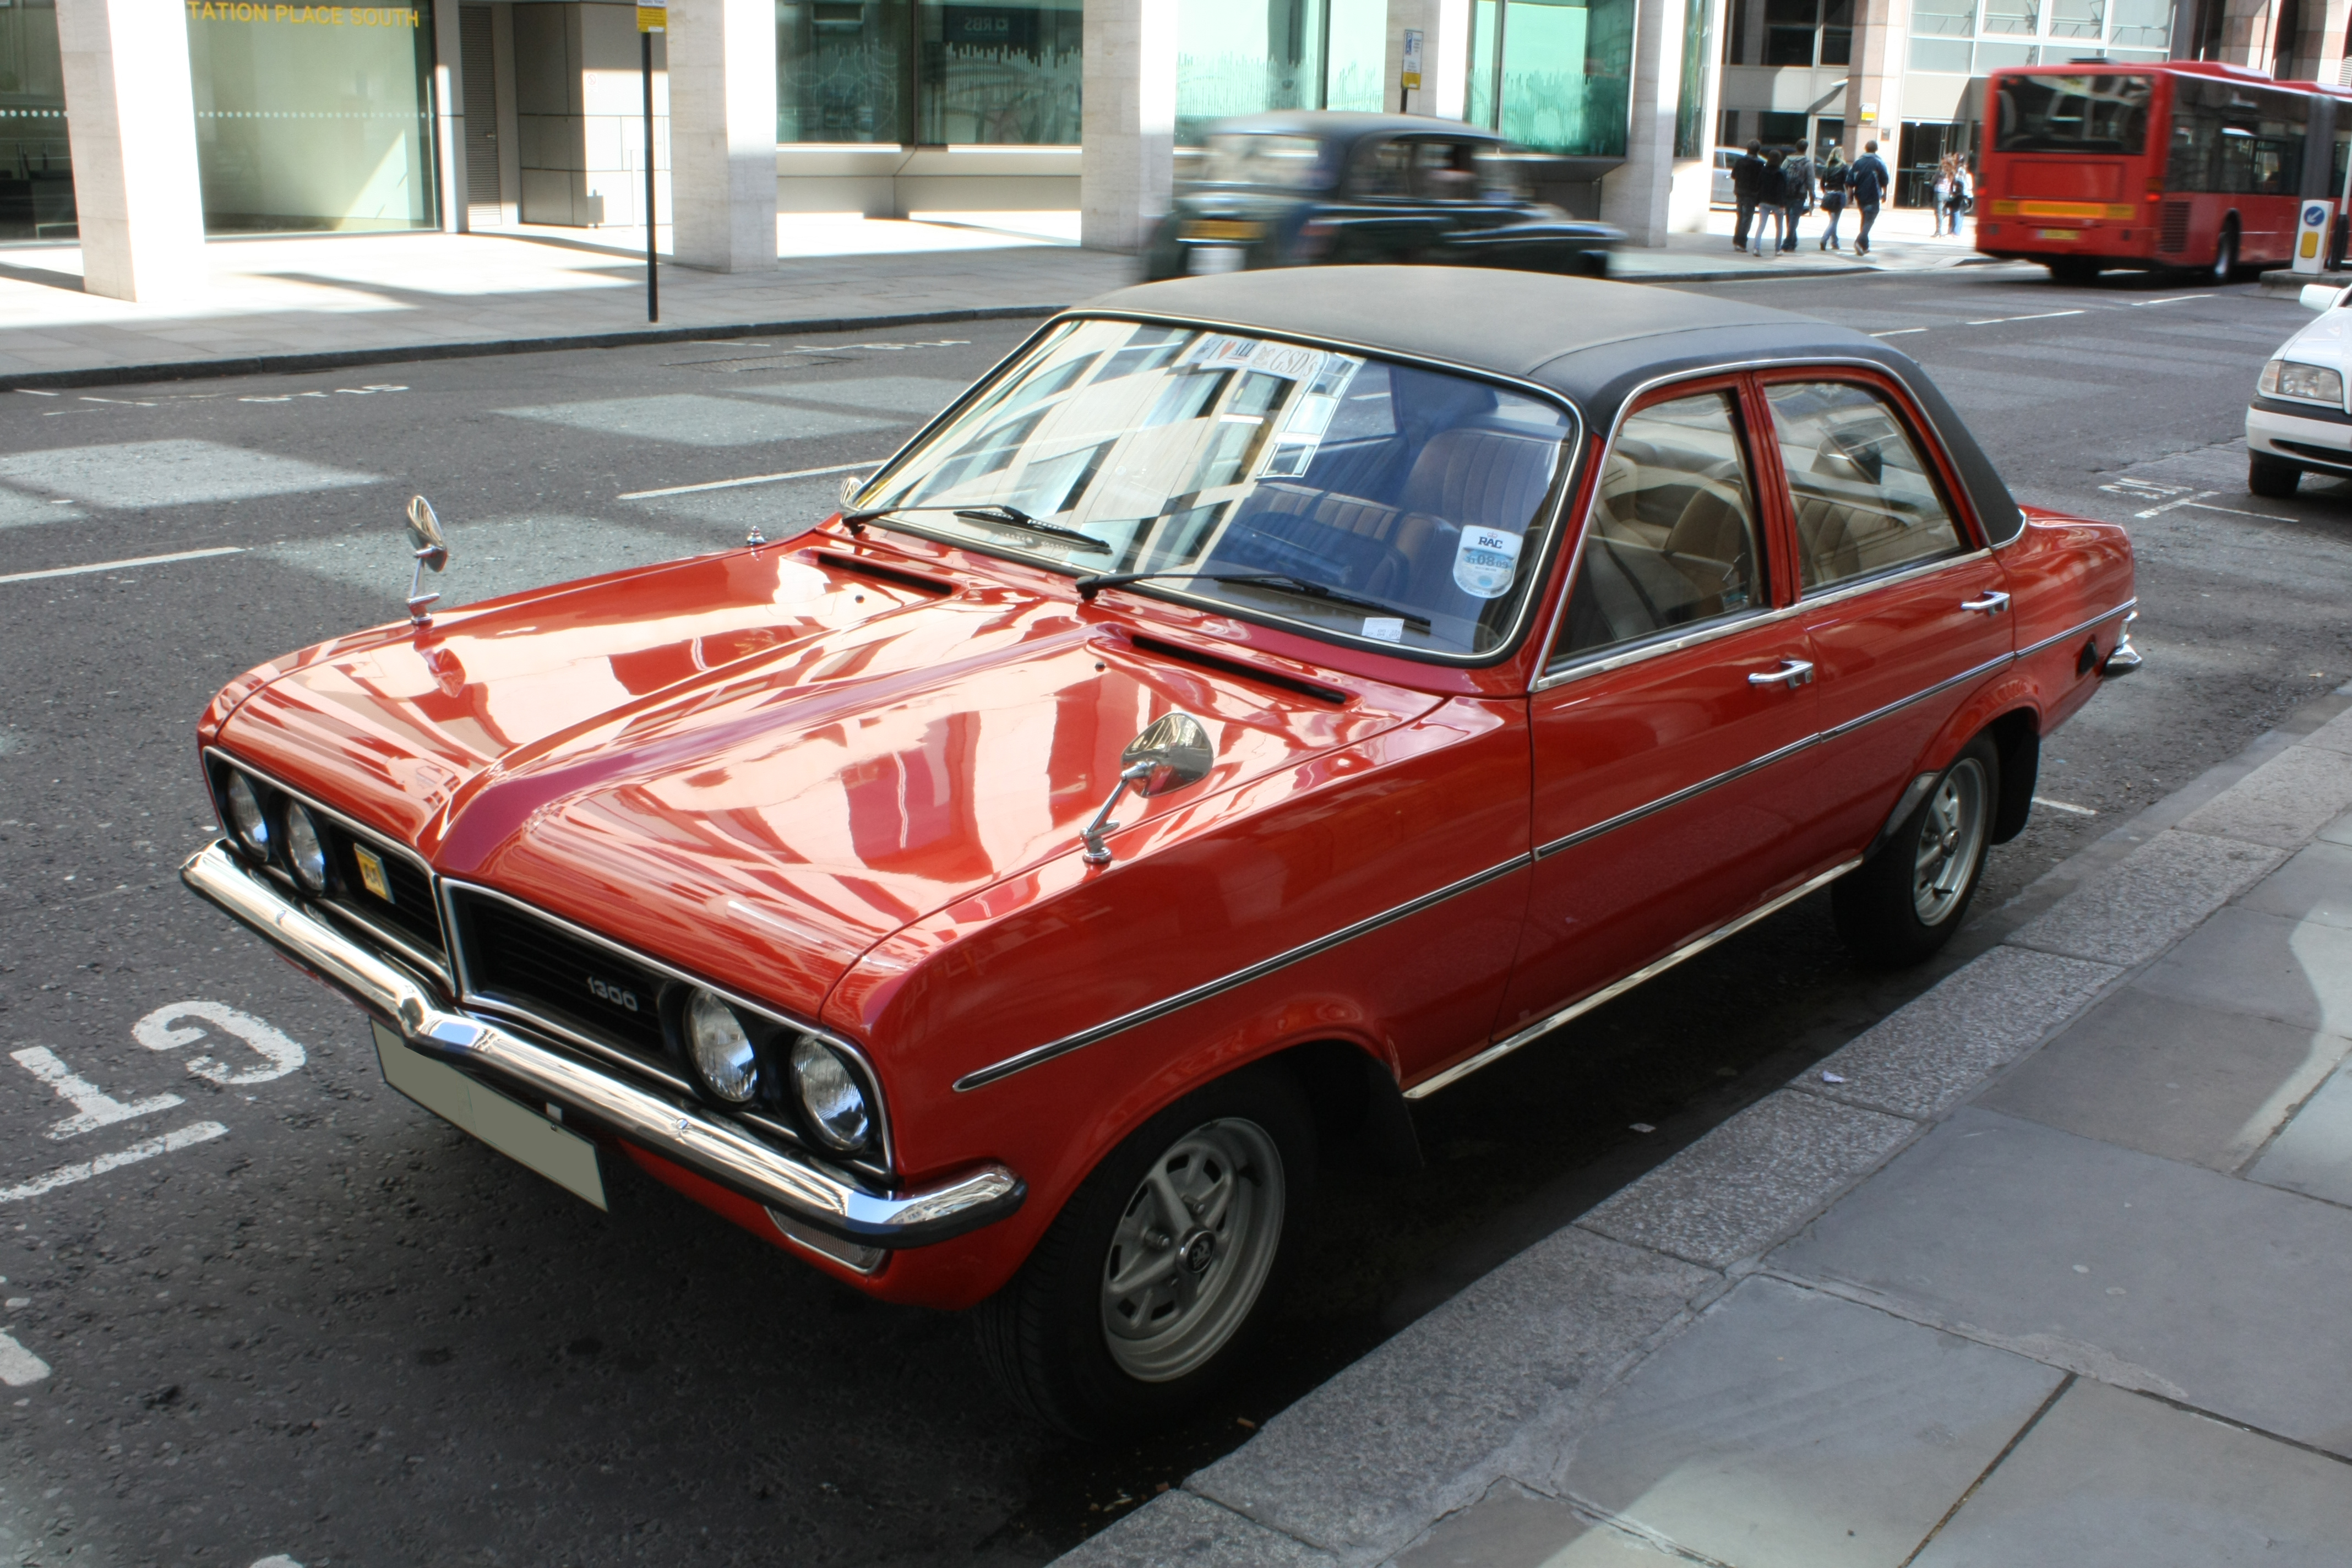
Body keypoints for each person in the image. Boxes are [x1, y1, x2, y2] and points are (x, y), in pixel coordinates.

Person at [1850, 138, 1891, 257]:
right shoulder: (1878, 162)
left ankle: (1865, 246)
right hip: (1873, 195)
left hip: (1860, 195)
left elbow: (1850, 180)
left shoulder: (1858, 162)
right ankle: (1859, 241)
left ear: (1865, 148)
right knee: (1870, 219)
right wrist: (1885, 193)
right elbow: (1884, 179)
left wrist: (1850, 195)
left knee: (1864, 218)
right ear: (1876, 150)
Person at [1732, 140, 1767, 252]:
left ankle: (1737, 240)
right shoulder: (1759, 164)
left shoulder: (1740, 161)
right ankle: (1742, 242)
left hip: (1740, 191)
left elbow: (1733, 175)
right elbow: (1761, 180)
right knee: (1747, 218)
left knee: (1740, 216)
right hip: (1751, 193)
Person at [1780, 144, 1815, 253]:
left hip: (1787, 193)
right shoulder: (1807, 163)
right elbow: (1811, 181)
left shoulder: (1787, 161)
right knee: (1794, 218)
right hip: (1800, 193)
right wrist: (1812, 195)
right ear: (1806, 149)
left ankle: (1793, 241)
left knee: (1789, 218)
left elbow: (1782, 175)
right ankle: (1788, 242)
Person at [1756, 148, 1788, 255]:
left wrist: (1758, 200)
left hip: (1764, 201)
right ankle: (1778, 249)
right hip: (1776, 203)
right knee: (1779, 227)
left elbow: (1759, 185)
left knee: (1762, 225)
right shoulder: (1781, 173)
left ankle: (1757, 248)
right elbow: (1782, 189)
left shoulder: (1763, 171)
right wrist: (1782, 204)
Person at [1817, 145, 1849, 251]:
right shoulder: (1844, 167)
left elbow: (1822, 184)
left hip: (1829, 195)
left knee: (1833, 219)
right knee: (1834, 221)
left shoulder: (1827, 167)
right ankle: (1824, 239)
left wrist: (1826, 192)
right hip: (1839, 194)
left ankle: (1835, 243)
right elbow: (1848, 182)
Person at [1943, 159, 1970, 238]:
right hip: (1961, 194)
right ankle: (1954, 231)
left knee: (1956, 212)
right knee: (1957, 212)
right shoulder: (1962, 169)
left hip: (1959, 194)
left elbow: (1959, 181)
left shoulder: (1960, 169)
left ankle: (1955, 232)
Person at [1932, 155, 1955, 236]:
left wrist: (1932, 183)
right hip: (1947, 193)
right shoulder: (1952, 171)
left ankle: (1939, 231)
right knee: (1944, 212)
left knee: (1938, 212)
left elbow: (1934, 180)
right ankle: (1941, 228)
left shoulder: (1941, 170)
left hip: (1939, 192)